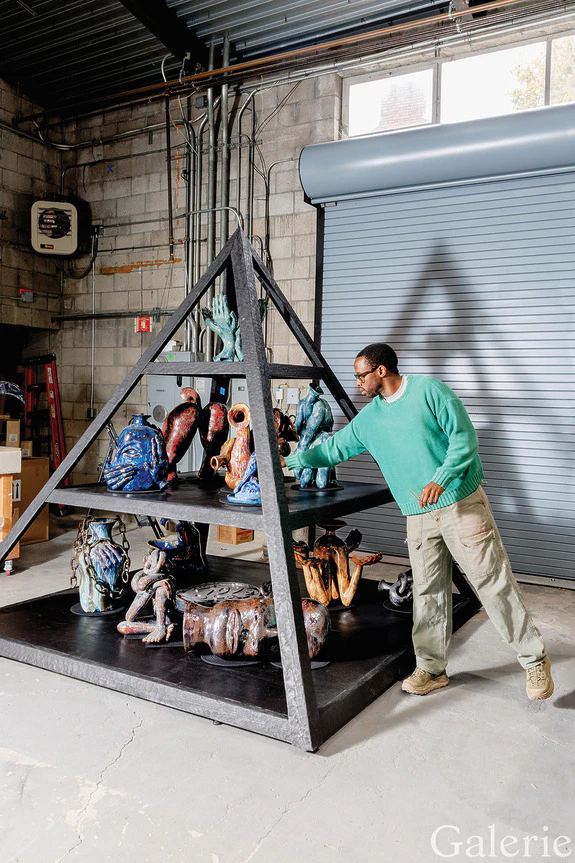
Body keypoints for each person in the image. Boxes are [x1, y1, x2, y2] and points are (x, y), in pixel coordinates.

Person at [284, 343, 553, 700]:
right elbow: (334, 449)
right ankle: (431, 668)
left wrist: (441, 478)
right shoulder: (370, 420)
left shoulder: (430, 391)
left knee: (491, 581)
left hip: (460, 503)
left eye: (361, 375)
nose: (357, 383)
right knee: (428, 593)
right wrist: (291, 462)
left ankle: (535, 661)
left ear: (381, 370)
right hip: (418, 514)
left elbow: (464, 439)